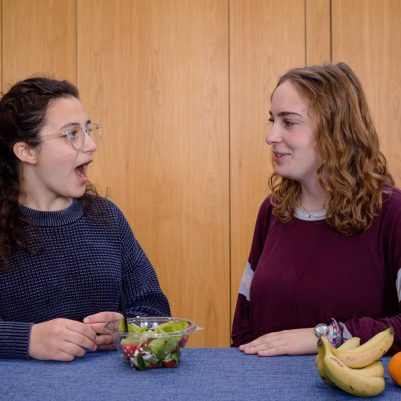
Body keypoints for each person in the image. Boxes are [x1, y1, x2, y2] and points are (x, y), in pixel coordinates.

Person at [231, 62, 401, 356]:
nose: (271, 136)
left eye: (289, 122)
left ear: (336, 131)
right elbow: (244, 323)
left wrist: (326, 336)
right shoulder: (272, 211)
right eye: (272, 120)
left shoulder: (392, 213)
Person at [0, 77, 170, 361]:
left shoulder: (108, 218)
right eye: (72, 134)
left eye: (89, 130)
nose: (90, 145)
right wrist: (26, 339)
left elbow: (155, 310)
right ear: (27, 151)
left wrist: (124, 328)